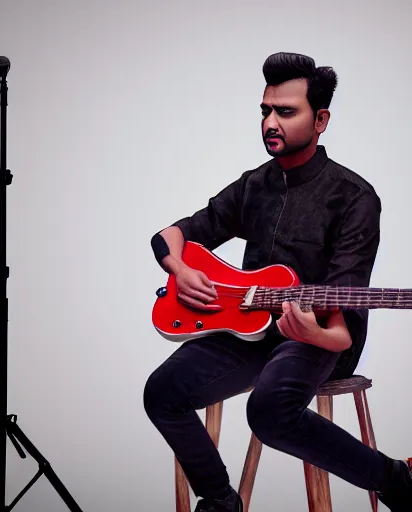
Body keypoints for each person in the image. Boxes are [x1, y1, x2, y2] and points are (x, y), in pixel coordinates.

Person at [144, 52, 412, 512]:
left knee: (267, 411)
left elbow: (347, 307)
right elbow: (174, 234)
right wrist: (181, 270)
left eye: (285, 112)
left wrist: (313, 334)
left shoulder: (355, 196)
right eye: (266, 110)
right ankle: (221, 499)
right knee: (162, 393)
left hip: (321, 336)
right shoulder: (254, 184)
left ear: (320, 119)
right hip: (249, 327)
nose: (271, 121)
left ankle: (398, 481)